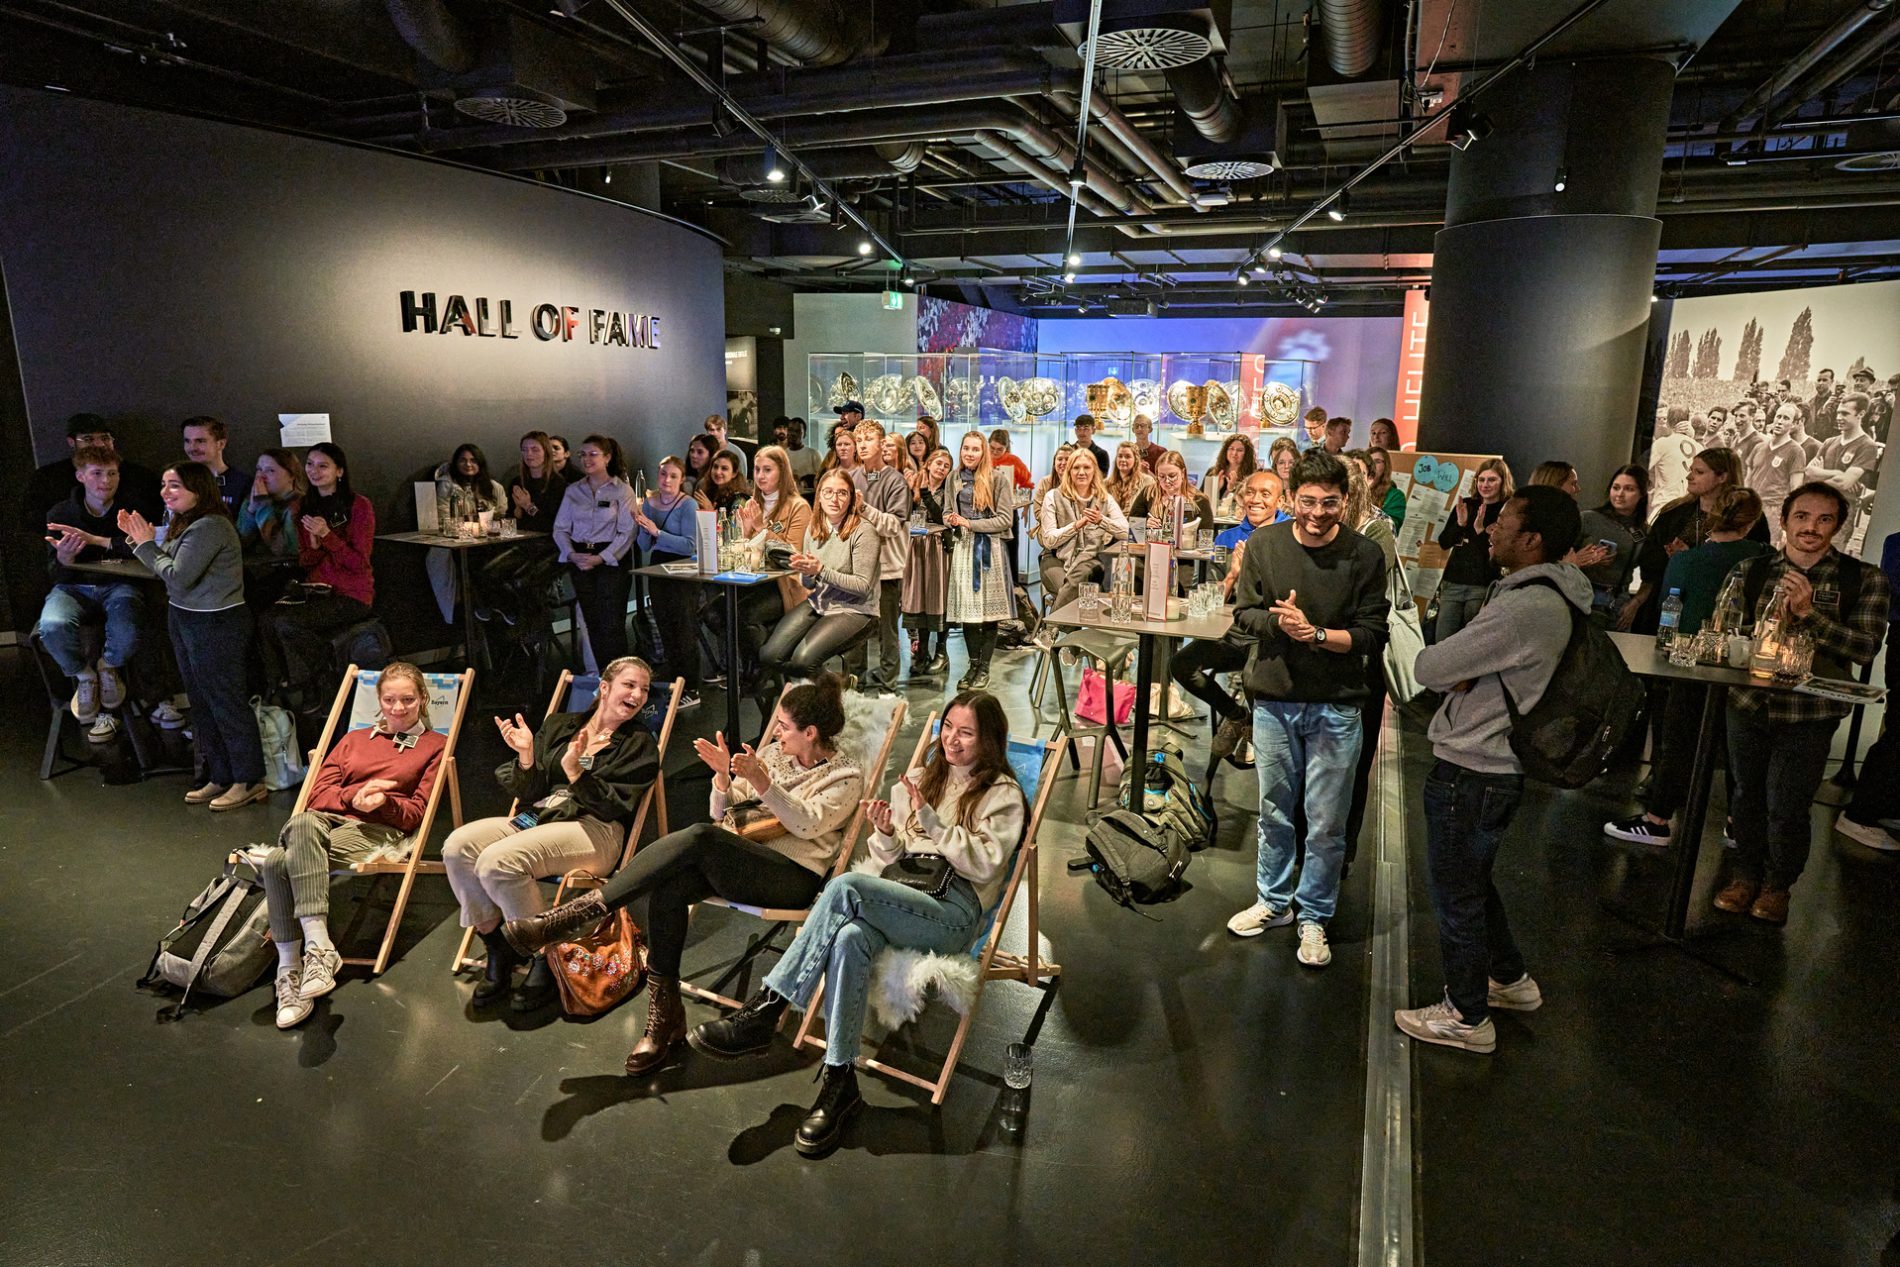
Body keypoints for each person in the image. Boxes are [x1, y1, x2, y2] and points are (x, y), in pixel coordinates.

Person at [681, 689, 1024, 1157]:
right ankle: (839, 1083)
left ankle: (769, 1007)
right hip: (905, 895)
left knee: (846, 888)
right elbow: (893, 859)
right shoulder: (921, 778)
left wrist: (931, 821)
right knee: (848, 936)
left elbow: (984, 865)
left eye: (967, 733)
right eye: (948, 727)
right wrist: (886, 833)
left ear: (989, 740)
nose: (952, 739)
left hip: (953, 912)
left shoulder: (1002, 795)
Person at [500, 674, 866, 1077]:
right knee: (671, 886)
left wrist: (762, 782)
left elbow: (807, 824)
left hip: (792, 878)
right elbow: (722, 812)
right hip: (744, 860)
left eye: (783, 725)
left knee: (701, 837)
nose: (775, 732)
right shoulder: (777, 754)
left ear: (810, 733)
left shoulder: (846, 775)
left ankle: (576, 914)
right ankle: (665, 1018)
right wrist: (723, 778)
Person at [1394, 485, 1589, 1053]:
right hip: (1492, 765)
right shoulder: (1550, 593)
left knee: (1456, 895)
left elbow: (1430, 665)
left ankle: (1466, 1016)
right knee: (1472, 882)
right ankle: (1509, 979)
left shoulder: (1525, 607)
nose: (1492, 528)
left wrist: (1458, 669)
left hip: (1476, 767)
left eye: (1504, 520)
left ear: (1532, 540)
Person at [1226, 450, 1389, 969]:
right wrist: (1280, 624)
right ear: (1292, 498)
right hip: (1274, 699)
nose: (1318, 512)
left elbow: (1372, 634)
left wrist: (1316, 634)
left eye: (1330, 503)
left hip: (1338, 705)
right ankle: (1273, 901)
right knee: (1274, 812)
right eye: (1309, 501)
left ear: (1345, 500)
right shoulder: (1265, 544)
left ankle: (1314, 915)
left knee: (1326, 822)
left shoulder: (1365, 554)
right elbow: (1244, 614)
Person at [1710, 482, 1889, 924]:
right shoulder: (1750, 570)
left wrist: (1810, 615)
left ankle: (1778, 886)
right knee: (1745, 796)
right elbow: (1724, 633)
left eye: (1824, 519)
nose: (1811, 527)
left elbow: (1864, 648)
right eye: (1802, 517)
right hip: (1748, 702)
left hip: (1810, 712)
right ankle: (1744, 875)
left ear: (1838, 526)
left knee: (1788, 805)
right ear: (1785, 520)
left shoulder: (1863, 578)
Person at [443, 656, 660, 1010]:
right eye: (629, 685)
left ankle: (545, 956)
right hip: (540, 817)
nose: (637, 695)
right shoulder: (560, 725)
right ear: (605, 687)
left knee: (498, 861)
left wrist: (577, 774)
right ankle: (497, 945)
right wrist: (526, 757)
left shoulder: (639, 744)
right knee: (458, 847)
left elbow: (613, 806)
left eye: (644, 689)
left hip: (595, 829)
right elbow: (530, 792)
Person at [260, 662, 446, 1028]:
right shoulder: (354, 740)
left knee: (277, 862)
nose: (398, 708)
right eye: (389, 700)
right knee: (303, 822)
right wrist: (353, 797)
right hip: (325, 824)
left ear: (423, 698)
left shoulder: (435, 747)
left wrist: (382, 803)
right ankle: (317, 950)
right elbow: (317, 795)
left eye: (408, 699)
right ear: (379, 700)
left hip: (378, 829)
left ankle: (291, 969)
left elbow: (415, 814)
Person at [1604, 488, 1770, 846]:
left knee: (1679, 743)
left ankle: (1657, 820)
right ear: (1753, 521)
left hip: (1690, 661)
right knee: (1741, 748)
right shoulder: (1764, 559)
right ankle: (1737, 824)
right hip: (1746, 662)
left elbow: (1670, 610)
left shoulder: (1686, 561)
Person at [122, 462, 267, 810]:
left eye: (175, 485)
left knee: (226, 701)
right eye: (163, 484)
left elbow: (177, 575)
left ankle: (248, 779)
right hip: (185, 617)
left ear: (198, 490)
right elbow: (166, 568)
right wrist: (143, 541)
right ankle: (220, 775)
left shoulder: (211, 526)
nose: (165, 492)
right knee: (201, 702)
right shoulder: (184, 522)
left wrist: (145, 544)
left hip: (216, 622)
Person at [1173, 471, 1285, 767]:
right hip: (1231, 632)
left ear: (1280, 501)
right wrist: (1234, 574)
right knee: (1181, 664)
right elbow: (1212, 602)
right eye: (1251, 492)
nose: (1256, 500)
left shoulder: (1290, 536)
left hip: (1270, 635)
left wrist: (1256, 569)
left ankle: (1257, 734)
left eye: (1265, 494)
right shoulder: (1226, 539)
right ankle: (1237, 717)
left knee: (1252, 676)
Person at [39, 445, 143, 739]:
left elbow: (143, 549)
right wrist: (64, 559)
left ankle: (108, 666)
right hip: (72, 586)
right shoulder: (61, 513)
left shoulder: (131, 509)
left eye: (112, 473)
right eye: (97, 473)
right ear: (81, 476)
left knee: (128, 626)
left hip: (120, 585)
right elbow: (54, 573)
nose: (105, 481)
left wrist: (100, 542)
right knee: (52, 625)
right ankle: (85, 676)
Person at [758, 469, 879, 691]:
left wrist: (820, 570)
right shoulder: (814, 528)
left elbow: (862, 587)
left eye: (842, 493)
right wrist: (805, 571)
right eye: (828, 492)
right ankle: (838, 683)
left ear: (851, 498)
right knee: (769, 655)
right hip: (819, 602)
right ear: (819, 496)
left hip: (855, 609)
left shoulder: (864, 531)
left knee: (803, 661)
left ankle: (833, 691)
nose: (835, 499)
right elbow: (809, 585)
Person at [270, 443, 375, 698]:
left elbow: (358, 563)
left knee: (287, 623)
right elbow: (306, 561)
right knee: (267, 620)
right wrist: (316, 544)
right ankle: (286, 689)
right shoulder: (303, 507)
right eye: (309, 464)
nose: (314, 471)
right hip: (317, 591)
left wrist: (327, 535)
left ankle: (325, 679)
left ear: (339, 471)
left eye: (323, 466)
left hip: (352, 594)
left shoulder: (358, 505)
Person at [1632, 447, 1768, 633]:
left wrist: (1692, 558)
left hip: (1726, 614)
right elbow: (1649, 562)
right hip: (1670, 611)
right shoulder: (1673, 512)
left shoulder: (1747, 518)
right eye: (1691, 470)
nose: (1689, 477)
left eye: (1699, 472)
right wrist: (1675, 560)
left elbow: (1753, 566)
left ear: (1722, 477)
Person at [554, 435, 637, 670]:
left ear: (607, 457)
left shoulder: (622, 491)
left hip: (611, 560)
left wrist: (600, 558)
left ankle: (620, 676)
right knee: (592, 623)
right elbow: (560, 528)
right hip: (580, 558)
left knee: (612, 623)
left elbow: (627, 532)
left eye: (593, 454)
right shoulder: (573, 491)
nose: (586, 459)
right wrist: (571, 554)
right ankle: (603, 677)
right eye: (583, 454)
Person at [734, 445, 813, 692]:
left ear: (782, 472)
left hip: (785, 587)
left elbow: (792, 555)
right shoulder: (751, 504)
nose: (760, 476)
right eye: (757, 469)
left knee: (743, 615)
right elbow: (743, 553)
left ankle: (759, 669)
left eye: (767, 470)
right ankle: (758, 664)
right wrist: (743, 534)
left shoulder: (798, 506)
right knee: (714, 614)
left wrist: (761, 528)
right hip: (751, 582)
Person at [944, 432, 1017, 690]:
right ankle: (972, 665)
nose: (970, 453)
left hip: (989, 551)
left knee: (988, 615)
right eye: (966, 448)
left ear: (983, 452)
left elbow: (1005, 520)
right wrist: (951, 520)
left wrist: (971, 524)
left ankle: (984, 668)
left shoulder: (998, 479)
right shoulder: (953, 477)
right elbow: (947, 511)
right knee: (968, 613)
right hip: (964, 548)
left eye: (975, 449)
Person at [844, 420, 911, 691]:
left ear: (882, 444)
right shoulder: (851, 478)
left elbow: (893, 526)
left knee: (887, 632)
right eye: (858, 440)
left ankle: (888, 685)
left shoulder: (896, 481)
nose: (862, 444)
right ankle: (855, 683)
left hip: (887, 569)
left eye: (868, 439)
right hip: (856, 569)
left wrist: (864, 509)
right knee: (854, 630)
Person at [633, 455, 703, 710]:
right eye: (663, 474)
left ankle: (691, 687)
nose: (667, 480)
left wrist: (657, 532)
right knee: (664, 626)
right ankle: (674, 681)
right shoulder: (649, 504)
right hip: (659, 568)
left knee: (684, 628)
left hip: (684, 570)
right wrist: (643, 526)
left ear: (681, 479)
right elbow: (644, 545)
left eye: (673, 476)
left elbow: (689, 545)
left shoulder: (688, 505)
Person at [27, 413, 160, 534]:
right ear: (71, 442)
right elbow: (35, 525)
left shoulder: (141, 476)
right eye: (88, 439)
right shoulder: (47, 478)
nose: (99, 444)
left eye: (105, 438)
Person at [1036, 443, 1129, 612]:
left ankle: (1050, 626)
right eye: (1076, 467)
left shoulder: (1105, 499)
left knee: (1078, 580)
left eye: (1086, 467)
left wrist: (1102, 520)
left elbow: (1126, 532)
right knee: (1072, 592)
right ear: (1069, 471)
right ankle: (1058, 627)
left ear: (1094, 471)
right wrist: (1075, 526)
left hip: (1089, 561)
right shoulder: (1052, 496)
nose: (1081, 472)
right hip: (1055, 558)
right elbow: (1049, 540)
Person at [1433, 458, 1513, 642]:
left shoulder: (1507, 510)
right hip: (1453, 583)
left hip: (1483, 585)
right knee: (1442, 641)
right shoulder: (1466, 505)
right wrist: (1460, 525)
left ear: (1503, 482)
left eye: (1491, 480)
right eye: (1481, 479)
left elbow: (1503, 553)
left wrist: (1480, 532)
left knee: (1472, 643)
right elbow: (1444, 542)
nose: (1485, 485)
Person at [428, 443, 507, 622]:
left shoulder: (493, 487)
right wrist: (474, 527)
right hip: (459, 545)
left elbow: (501, 514)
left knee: (498, 562)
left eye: (473, 460)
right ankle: (485, 604)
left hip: (489, 543)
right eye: (463, 460)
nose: (468, 464)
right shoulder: (447, 486)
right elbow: (443, 520)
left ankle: (494, 604)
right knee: (474, 562)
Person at [902, 447, 955, 680]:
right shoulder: (915, 484)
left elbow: (941, 517)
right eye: (938, 463)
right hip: (917, 546)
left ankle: (941, 653)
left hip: (938, 548)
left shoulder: (948, 491)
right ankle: (921, 651)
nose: (941, 468)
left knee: (939, 599)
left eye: (946, 466)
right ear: (929, 464)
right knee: (919, 599)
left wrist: (925, 494)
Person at [1803, 389, 1879, 546]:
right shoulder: (1829, 442)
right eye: (1838, 412)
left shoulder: (1867, 446)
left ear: (1860, 414)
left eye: (1845, 414)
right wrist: (1837, 473)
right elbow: (1808, 472)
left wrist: (1820, 476)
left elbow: (1845, 483)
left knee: (1830, 557)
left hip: (1840, 516)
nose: (1838, 417)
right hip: (1816, 510)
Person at [1581, 465, 1647, 628]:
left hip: (1619, 601)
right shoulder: (1588, 519)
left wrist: (1635, 603)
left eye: (1629, 489)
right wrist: (1587, 558)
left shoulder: (1643, 531)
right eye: (1616, 487)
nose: (1620, 494)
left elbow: (1652, 575)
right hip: (1584, 595)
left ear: (1642, 494)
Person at [1746, 401, 1810, 545]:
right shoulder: (1759, 447)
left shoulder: (1796, 451)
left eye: (1786, 418)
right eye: (1778, 416)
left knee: (1766, 550)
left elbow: (1796, 490)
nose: (1780, 421)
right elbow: (1748, 481)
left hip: (1773, 511)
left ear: (1794, 424)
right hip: (1752, 508)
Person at [1127, 450, 1214, 537]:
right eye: (1162, 476)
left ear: (1183, 473)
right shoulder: (1149, 493)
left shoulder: (1199, 499)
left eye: (1172, 476)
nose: (1167, 481)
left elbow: (1207, 535)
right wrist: (1144, 525)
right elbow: (1131, 524)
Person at [180, 415, 249, 510]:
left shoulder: (242, 484)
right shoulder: (178, 482)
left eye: (200, 441)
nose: (192, 448)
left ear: (221, 444)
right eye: (187, 441)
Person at [507, 431, 565, 535]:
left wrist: (528, 506)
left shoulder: (557, 483)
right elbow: (510, 519)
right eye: (525, 450)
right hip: (520, 538)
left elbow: (552, 524)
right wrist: (518, 509)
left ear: (546, 452)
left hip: (546, 540)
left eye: (535, 449)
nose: (529, 454)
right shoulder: (517, 482)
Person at [1648, 406, 1698, 510]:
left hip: (1665, 504)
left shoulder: (1662, 443)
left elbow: (1642, 467)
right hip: (1687, 506)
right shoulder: (1699, 447)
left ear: (1667, 423)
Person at [1203, 435, 1257, 519]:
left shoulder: (1252, 475)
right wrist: (1216, 489)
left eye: (1239, 450)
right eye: (1231, 449)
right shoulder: (1213, 472)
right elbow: (1202, 500)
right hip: (1213, 519)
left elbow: (1249, 503)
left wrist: (1232, 489)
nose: (1234, 453)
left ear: (1246, 454)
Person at [1105, 440, 1155, 517]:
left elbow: (1152, 511)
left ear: (1136, 460)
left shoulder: (1148, 482)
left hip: (1137, 523)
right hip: (1112, 523)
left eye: (1128, 456)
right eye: (1120, 456)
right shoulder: (1106, 484)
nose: (1123, 459)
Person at [1366, 446, 1406, 529]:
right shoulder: (1354, 489)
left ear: (1386, 466)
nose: (1372, 465)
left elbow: (1390, 527)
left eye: (1377, 461)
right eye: (1369, 461)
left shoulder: (1396, 496)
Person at [705, 413, 750, 477]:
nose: (715, 433)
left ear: (725, 431)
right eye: (712, 430)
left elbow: (742, 479)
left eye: (718, 429)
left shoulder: (737, 453)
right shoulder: (704, 452)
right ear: (707, 432)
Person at [785, 418, 822, 493]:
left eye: (797, 431)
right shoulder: (782, 455)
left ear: (804, 434)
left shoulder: (813, 454)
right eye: (790, 430)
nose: (793, 434)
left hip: (809, 496)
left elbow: (822, 478)